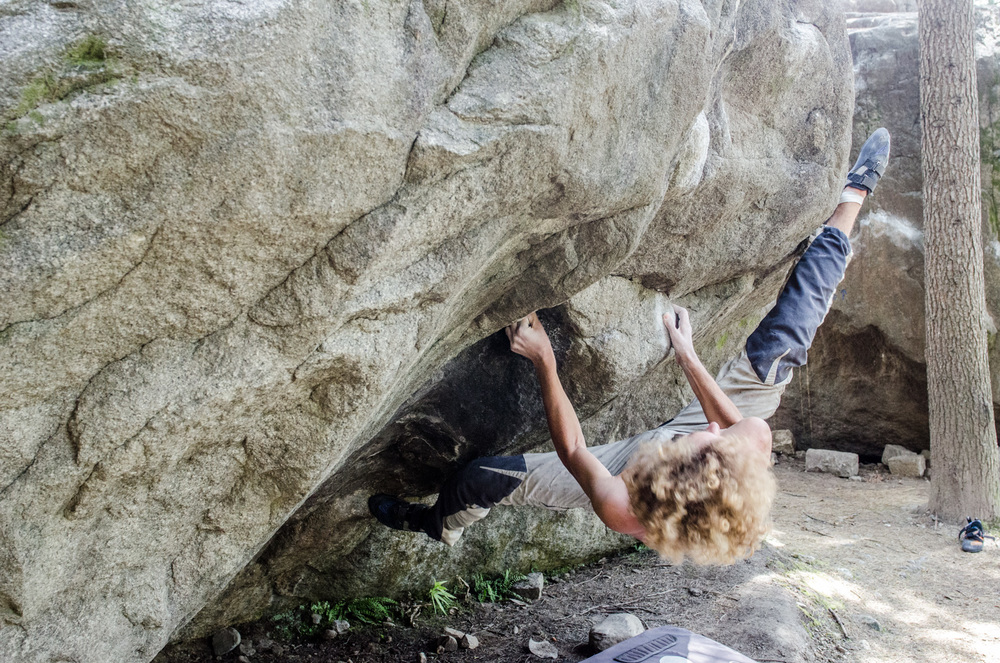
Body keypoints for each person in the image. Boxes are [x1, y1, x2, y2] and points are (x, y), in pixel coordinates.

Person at [369, 128, 891, 564]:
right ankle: (853, 199)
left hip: (633, 468)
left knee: (480, 477)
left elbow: (572, 450)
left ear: (669, 474)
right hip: (702, 454)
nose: (708, 426)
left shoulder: (625, 505)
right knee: (784, 341)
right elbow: (723, 429)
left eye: (703, 440)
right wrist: (687, 353)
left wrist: (544, 357)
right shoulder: (741, 442)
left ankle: (438, 525)